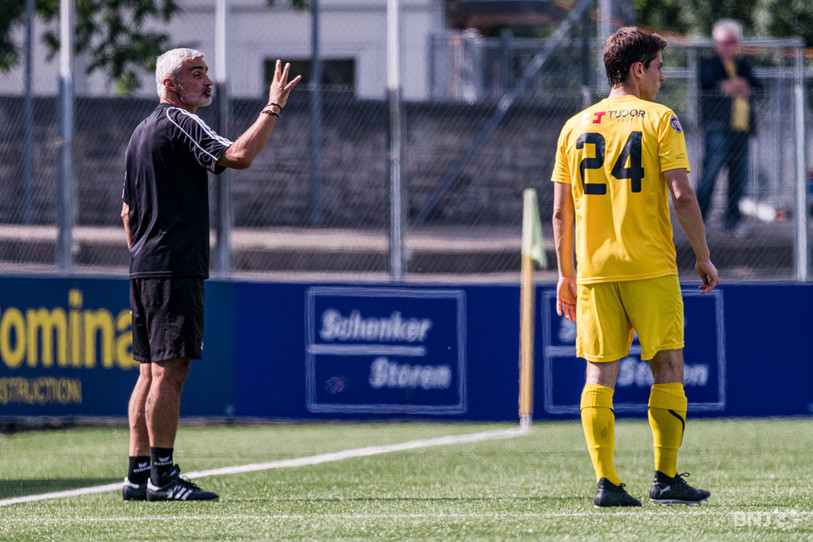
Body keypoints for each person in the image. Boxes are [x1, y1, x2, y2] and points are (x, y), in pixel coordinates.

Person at [120, 48, 300, 501]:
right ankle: (163, 476)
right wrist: (272, 106)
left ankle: (137, 474)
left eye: (205, 73)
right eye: (195, 73)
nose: (206, 81)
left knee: (148, 373)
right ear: (169, 85)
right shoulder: (180, 122)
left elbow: (126, 212)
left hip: (145, 267)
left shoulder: (139, 133)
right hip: (172, 267)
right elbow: (238, 156)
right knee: (169, 373)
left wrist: (144, 255)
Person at [551, 27, 719, 507]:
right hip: (650, 267)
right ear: (637, 70)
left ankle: (607, 482)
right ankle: (665, 479)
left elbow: (561, 212)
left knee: (598, 376)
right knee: (667, 367)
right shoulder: (660, 119)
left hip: (596, 272)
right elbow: (682, 194)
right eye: (660, 67)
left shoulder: (574, 126)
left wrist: (566, 273)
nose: (663, 78)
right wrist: (703, 256)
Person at [696, 19, 760, 235]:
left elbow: (758, 88)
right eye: (725, 41)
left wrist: (741, 87)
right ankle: (699, 220)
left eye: (733, 41)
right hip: (718, 129)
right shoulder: (709, 63)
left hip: (741, 129)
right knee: (710, 175)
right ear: (716, 43)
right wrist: (734, 86)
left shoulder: (743, 65)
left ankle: (732, 221)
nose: (729, 46)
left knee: (738, 178)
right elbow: (708, 83)